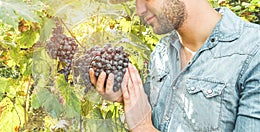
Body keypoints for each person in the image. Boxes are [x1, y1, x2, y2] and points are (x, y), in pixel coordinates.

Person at [89, 0, 260, 131]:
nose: (139, 9)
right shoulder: (162, 51)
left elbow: (145, 122)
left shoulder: (253, 52)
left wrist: (143, 127)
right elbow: (152, 112)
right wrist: (124, 96)